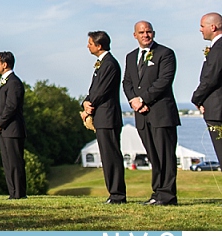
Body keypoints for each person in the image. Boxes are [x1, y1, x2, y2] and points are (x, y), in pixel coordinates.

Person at [122, 21, 179, 205]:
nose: (145, 35)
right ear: (135, 35)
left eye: (148, 32)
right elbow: (127, 82)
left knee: (165, 156)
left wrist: (143, 99)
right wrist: (134, 101)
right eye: (141, 32)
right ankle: (157, 194)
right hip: (142, 115)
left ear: (153, 33)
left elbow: (164, 81)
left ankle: (168, 196)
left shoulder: (165, 53)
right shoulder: (131, 57)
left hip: (161, 114)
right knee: (153, 156)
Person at [81, 30, 126, 204]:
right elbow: (93, 89)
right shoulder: (101, 63)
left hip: (108, 116)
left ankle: (117, 195)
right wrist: (86, 101)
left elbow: (101, 91)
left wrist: (88, 108)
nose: (87, 46)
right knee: (106, 156)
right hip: (101, 116)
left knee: (111, 156)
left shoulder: (109, 64)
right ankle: (113, 193)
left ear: (99, 46)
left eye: (90, 43)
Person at [0, 51, 26, 199]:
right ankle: (12, 193)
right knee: (7, 163)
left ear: (5, 65)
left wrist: (0, 123)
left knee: (15, 162)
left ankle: (19, 193)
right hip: (4, 130)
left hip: (12, 129)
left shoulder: (14, 83)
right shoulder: (5, 81)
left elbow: (11, 106)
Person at [192, 13, 222, 168]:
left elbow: (210, 79)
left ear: (213, 27)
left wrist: (196, 98)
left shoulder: (218, 49)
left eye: (202, 26)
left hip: (218, 111)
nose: (200, 29)